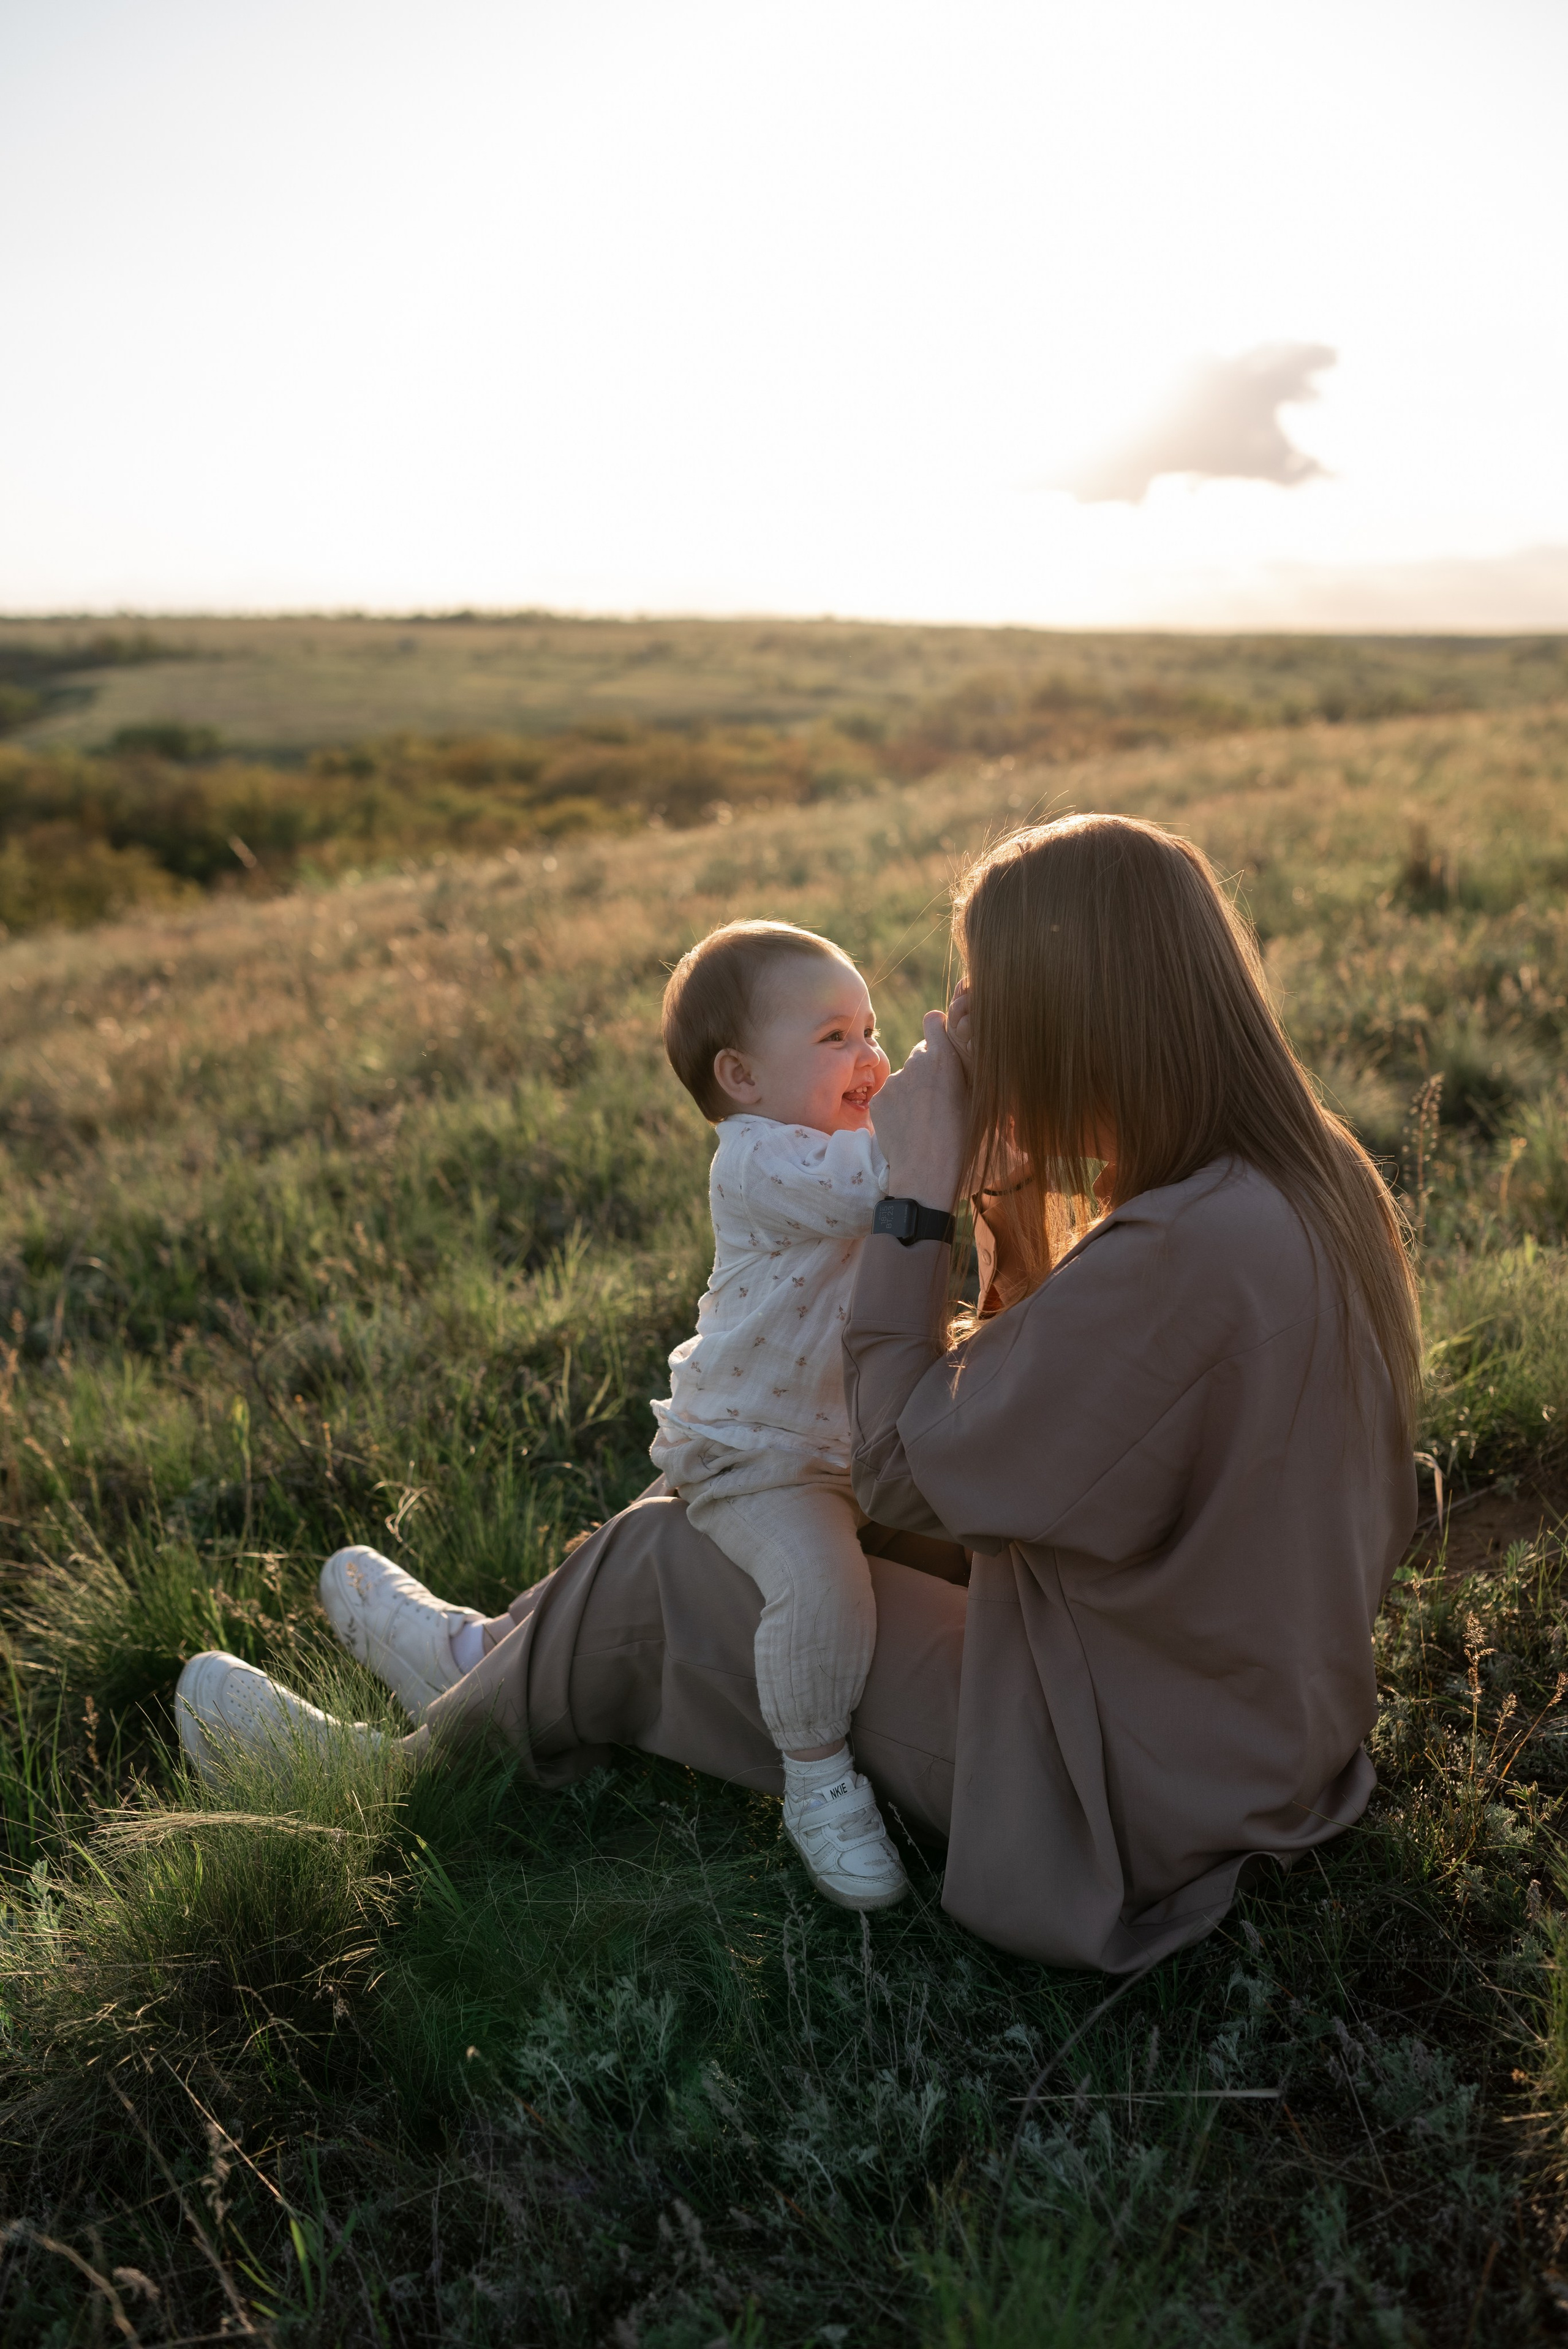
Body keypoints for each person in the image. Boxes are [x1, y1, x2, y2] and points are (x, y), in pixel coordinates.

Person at [176, 813, 1419, 1976]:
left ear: (1075, 1010)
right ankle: (484, 1656)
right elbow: (1032, 1388)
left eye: (987, 996)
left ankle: (398, 1775)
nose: (960, 1026)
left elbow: (902, 1458)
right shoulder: (1302, 1172)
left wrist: (917, 1193)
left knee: (681, 1558)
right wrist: (1002, 1163)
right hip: (1235, 1706)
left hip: (1122, 1777)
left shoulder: (1182, 1252)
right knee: (771, 1492)